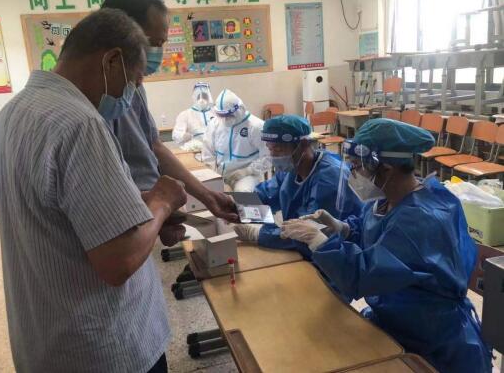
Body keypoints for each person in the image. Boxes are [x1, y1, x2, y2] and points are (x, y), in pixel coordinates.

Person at [0, 10, 188, 373]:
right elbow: (118, 261)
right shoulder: (80, 124)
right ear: (111, 61)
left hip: (46, 339)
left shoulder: (13, 113)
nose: (129, 96)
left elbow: (66, 212)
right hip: (105, 349)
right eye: (134, 82)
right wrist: (161, 202)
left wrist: (148, 216)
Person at [281, 118, 492, 373]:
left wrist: (320, 242)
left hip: (433, 344)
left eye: (357, 166)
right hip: (397, 323)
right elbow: (371, 233)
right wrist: (343, 228)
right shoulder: (387, 199)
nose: (352, 173)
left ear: (387, 168)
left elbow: (363, 275)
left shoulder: (421, 219)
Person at [101, 0, 238, 222]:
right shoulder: (93, 104)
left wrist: (206, 195)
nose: (158, 53)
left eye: (162, 44)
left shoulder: (134, 87)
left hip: (147, 211)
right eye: (154, 43)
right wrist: (158, 208)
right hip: (125, 217)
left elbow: (154, 146)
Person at [233, 115, 363, 259]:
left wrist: (258, 233)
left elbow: (308, 233)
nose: (273, 156)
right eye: (270, 149)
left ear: (304, 144)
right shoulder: (292, 168)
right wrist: (235, 205)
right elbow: (265, 194)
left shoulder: (329, 180)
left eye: (278, 149)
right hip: (301, 248)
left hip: (332, 256)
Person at [202, 88, 270, 192]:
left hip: (248, 175)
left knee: (243, 193)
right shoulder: (214, 125)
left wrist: (248, 170)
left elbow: (269, 156)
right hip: (220, 173)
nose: (225, 119)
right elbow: (208, 153)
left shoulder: (256, 126)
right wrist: (213, 175)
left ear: (239, 109)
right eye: (221, 115)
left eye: (229, 115)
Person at [172, 82, 214, 148]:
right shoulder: (185, 114)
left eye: (204, 97)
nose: (202, 100)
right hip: (195, 149)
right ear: (194, 97)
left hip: (215, 149)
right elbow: (176, 134)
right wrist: (183, 136)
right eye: (199, 97)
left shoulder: (215, 113)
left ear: (209, 97)